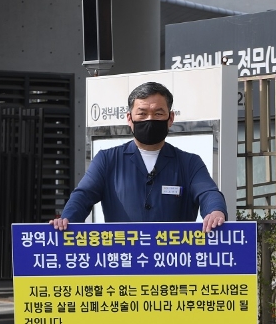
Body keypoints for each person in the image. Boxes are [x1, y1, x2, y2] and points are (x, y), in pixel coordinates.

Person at [50, 82, 227, 231]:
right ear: (129, 118)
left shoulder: (189, 163)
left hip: (174, 261)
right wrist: (67, 219)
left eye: (158, 113)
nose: (150, 119)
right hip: (123, 262)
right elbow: (83, 196)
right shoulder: (108, 160)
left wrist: (215, 211)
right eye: (142, 113)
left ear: (170, 118)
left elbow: (208, 193)